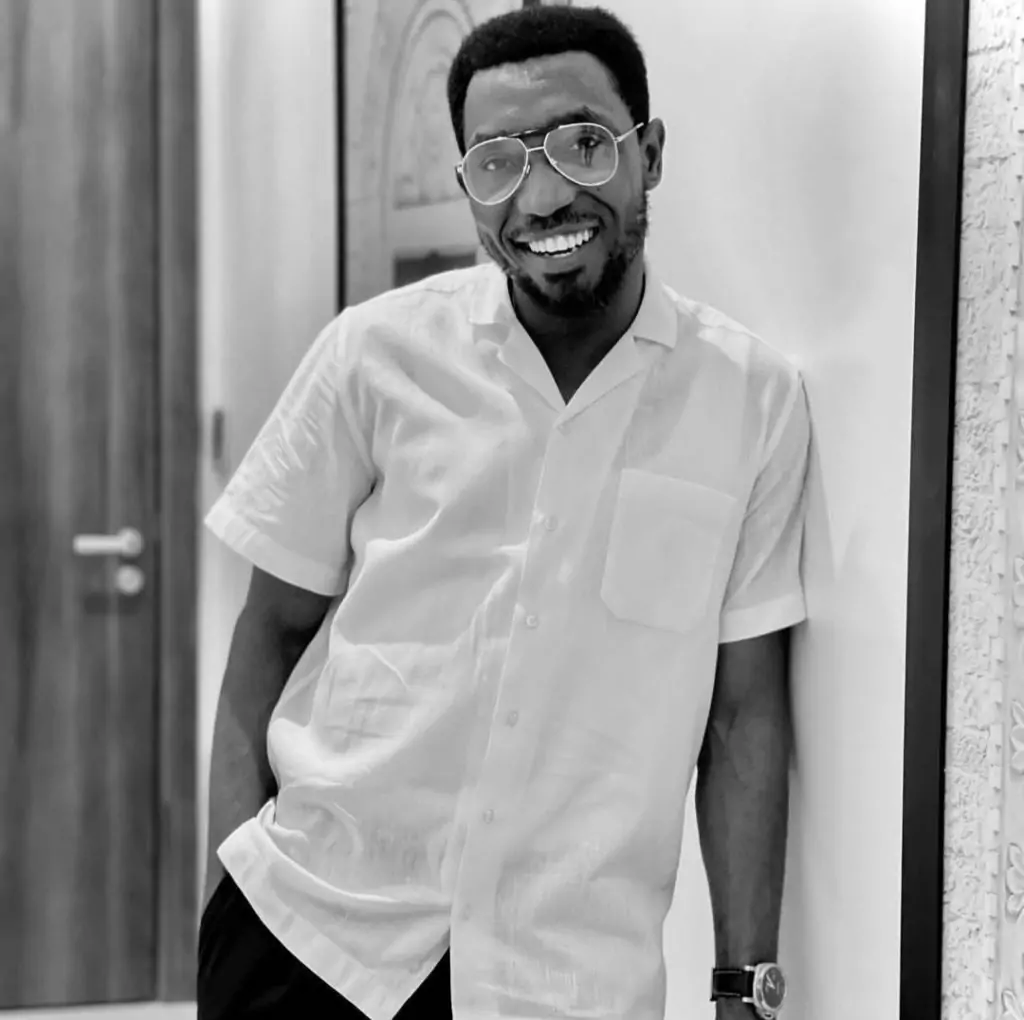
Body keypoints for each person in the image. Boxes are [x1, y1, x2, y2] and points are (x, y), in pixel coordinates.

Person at [197, 5, 809, 1019]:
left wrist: (745, 985)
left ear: (650, 154)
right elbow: (269, 634)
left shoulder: (750, 401)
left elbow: (743, 716)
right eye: (497, 162)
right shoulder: (373, 357)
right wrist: (225, 895)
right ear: (467, 187)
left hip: (564, 980)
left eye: (582, 144)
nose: (544, 195)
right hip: (314, 938)